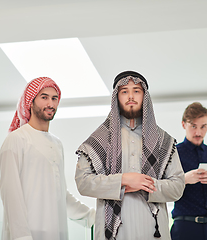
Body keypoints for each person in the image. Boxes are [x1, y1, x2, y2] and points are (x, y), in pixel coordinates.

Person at [75, 70, 185, 240]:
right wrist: (123, 181)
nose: (130, 96)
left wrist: (145, 185)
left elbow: (178, 186)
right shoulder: (100, 139)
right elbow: (83, 182)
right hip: (113, 233)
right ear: (116, 97)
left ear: (145, 97)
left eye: (136, 91)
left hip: (153, 230)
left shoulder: (163, 141)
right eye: (124, 91)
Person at [0, 77, 95, 240]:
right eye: (44, 97)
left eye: (54, 98)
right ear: (30, 101)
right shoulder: (16, 140)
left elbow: (59, 194)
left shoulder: (57, 144)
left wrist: (92, 217)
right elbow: (11, 194)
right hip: (27, 235)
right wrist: (22, 236)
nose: (50, 104)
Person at [170, 102, 207, 240]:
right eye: (193, 126)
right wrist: (184, 180)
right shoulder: (173, 154)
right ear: (184, 125)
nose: (198, 132)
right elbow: (164, 190)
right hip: (185, 227)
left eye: (203, 126)